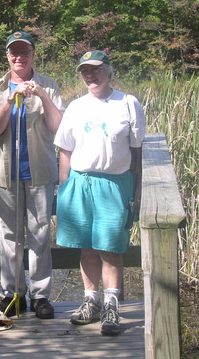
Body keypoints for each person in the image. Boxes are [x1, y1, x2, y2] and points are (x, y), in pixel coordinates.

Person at [54, 50, 146, 336]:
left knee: (111, 248)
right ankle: (91, 301)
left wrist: (137, 193)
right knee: (87, 247)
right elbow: (65, 150)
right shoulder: (76, 107)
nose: (90, 75)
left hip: (114, 184)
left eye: (95, 70)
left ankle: (111, 306)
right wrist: (64, 187)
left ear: (109, 71)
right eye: (84, 71)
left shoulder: (128, 104)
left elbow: (137, 153)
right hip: (80, 183)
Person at [0, 31, 64, 319]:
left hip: (40, 173)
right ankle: (13, 293)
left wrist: (40, 94)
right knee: (10, 236)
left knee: (40, 235)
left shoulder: (49, 85)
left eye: (24, 51)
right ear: (7, 55)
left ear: (32, 54)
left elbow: (58, 127)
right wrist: (9, 100)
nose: (19, 57)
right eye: (13, 52)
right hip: (7, 176)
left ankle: (40, 296)